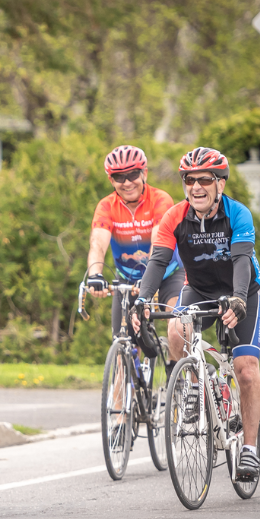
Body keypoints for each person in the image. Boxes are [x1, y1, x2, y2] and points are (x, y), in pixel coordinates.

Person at [131, 146, 260, 479]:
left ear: (220, 183)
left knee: (245, 369)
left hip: (241, 291)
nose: (196, 187)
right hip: (200, 290)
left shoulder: (238, 214)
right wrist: (143, 301)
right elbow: (158, 261)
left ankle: (248, 450)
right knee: (176, 327)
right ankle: (191, 386)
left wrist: (237, 300)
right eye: (189, 180)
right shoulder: (174, 217)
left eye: (205, 179)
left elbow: (241, 261)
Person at [87, 145, 185, 375]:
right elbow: (98, 242)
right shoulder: (106, 206)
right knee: (124, 348)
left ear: (145, 174)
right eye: (119, 177)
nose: (127, 182)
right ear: (111, 180)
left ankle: (175, 372)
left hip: (168, 274)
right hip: (128, 281)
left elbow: (159, 243)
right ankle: (123, 410)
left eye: (132, 174)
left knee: (178, 324)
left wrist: (149, 281)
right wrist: (94, 275)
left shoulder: (160, 200)